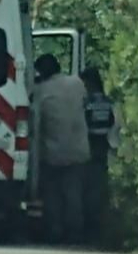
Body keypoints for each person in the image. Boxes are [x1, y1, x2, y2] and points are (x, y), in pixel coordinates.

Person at [32, 53, 91, 244]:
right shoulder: (77, 83)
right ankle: (76, 232)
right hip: (80, 149)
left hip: (53, 152)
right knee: (74, 194)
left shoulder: (40, 91)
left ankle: (55, 230)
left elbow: (35, 123)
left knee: (53, 195)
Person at [81, 67, 118, 239]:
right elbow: (112, 123)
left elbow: (83, 122)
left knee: (87, 185)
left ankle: (89, 222)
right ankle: (100, 221)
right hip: (103, 144)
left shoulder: (87, 102)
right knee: (100, 182)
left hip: (90, 144)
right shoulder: (108, 102)